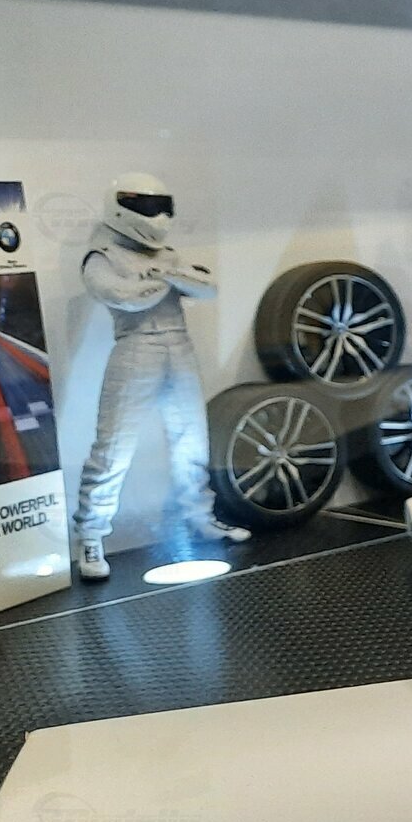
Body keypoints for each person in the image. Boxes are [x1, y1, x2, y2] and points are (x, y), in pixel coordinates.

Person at [72, 173, 248, 581]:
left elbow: (208, 287)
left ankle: (200, 517)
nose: (158, 216)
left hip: (178, 346)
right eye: (147, 207)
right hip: (136, 347)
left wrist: (164, 275)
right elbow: (122, 296)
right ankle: (91, 536)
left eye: (161, 206)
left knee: (192, 441)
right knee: (113, 448)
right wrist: (169, 277)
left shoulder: (166, 255)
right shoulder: (102, 255)